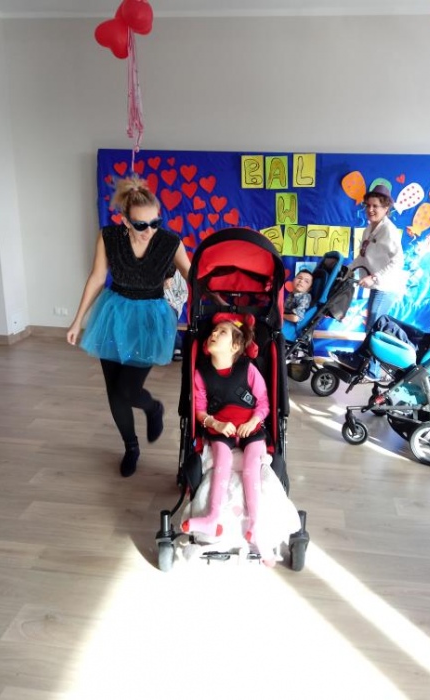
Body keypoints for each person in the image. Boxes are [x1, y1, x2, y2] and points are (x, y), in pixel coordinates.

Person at [67, 175, 190, 477]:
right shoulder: (108, 237)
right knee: (114, 391)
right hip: (113, 315)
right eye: (140, 225)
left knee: (128, 390)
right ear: (125, 221)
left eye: (155, 223)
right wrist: (78, 320)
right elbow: (97, 278)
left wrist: (218, 302)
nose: (149, 230)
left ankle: (152, 408)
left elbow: (193, 276)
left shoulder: (170, 242)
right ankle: (131, 447)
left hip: (149, 320)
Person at [180, 314, 275, 564]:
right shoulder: (201, 374)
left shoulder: (248, 369)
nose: (214, 333)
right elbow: (200, 411)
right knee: (222, 462)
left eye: (222, 332)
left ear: (235, 346)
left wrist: (253, 422)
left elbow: (264, 403)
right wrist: (215, 423)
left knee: (251, 467)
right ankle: (212, 518)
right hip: (221, 429)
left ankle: (255, 525)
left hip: (251, 428)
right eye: (214, 331)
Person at [332, 184, 404, 378]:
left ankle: (371, 368)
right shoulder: (368, 230)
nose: (370, 209)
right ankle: (365, 363)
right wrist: (347, 271)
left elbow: (398, 261)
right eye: (368, 205)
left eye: (375, 206)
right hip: (378, 285)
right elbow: (362, 257)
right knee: (372, 326)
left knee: (374, 326)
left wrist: (375, 277)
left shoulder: (388, 230)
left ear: (386, 208)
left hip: (386, 286)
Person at [164, 264, 188, 361]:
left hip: (172, 307)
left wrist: (171, 304)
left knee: (166, 314)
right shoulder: (154, 272)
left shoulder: (178, 273)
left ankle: (177, 346)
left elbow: (184, 295)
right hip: (154, 305)